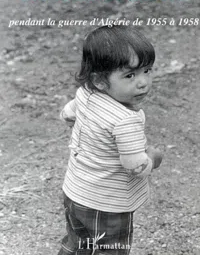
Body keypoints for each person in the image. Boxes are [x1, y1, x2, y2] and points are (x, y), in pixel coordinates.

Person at [58, 25, 163, 255]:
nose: (143, 82)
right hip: (108, 206)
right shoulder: (125, 120)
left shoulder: (86, 93)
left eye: (147, 70)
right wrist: (153, 158)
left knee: (78, 245)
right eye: (130, 75)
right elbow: (136, 167)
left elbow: (67, 114)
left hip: (75, 192)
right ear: (101, 81)